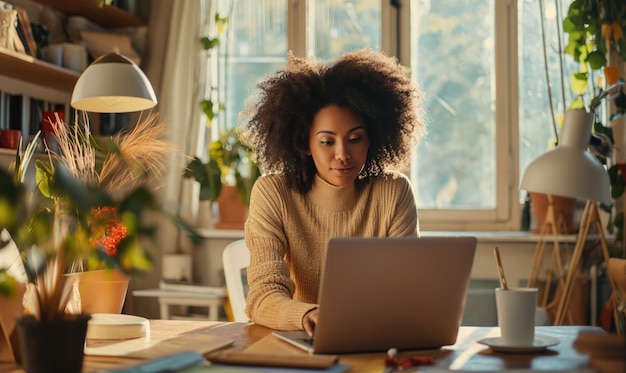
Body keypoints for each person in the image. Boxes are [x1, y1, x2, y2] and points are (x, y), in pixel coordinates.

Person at [239, 48, 426, 336]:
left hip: (375, 339)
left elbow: (406, 290)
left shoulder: (393, 192)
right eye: (327, 142)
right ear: (304, 143)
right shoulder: (273, 193)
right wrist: (309, 315)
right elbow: (263, 297)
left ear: (372, 139)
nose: (343, 154)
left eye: (355, 139)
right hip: (301, 338)